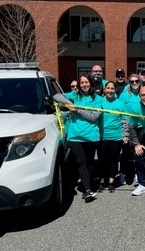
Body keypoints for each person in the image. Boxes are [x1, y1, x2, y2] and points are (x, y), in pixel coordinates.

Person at [64, 73, 102, 202]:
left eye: (86, 82)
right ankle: (87, 190)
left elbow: (93, 117)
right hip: (75, 136)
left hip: (91, 136)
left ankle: (88, 185)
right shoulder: (74, 96)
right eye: (82, 83)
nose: (84, 85)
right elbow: (57, 97)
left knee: (90, 163)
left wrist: (78, 110)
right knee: (81, 162)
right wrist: (64, 104)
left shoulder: (98, 99)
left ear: (90, 83)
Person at [99, 81, 125, 192]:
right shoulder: (99, 102)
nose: (110, 90)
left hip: (116, 137)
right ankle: (101, 180)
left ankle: (111, 181)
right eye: (108, 88)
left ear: (115, 90)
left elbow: (125, 121)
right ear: (104, 90)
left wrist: (125, 136)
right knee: (102, 160)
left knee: (113, 160)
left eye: (112, 88)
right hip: (102, 136)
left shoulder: (120, 104)